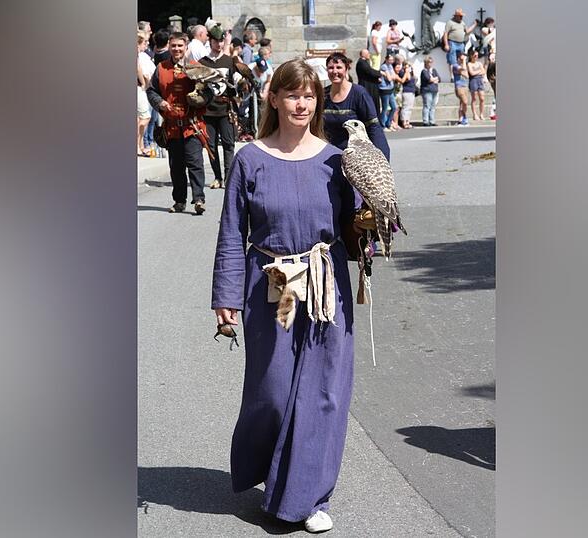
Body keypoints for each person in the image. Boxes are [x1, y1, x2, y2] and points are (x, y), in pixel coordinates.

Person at [212, 58, 362, 535]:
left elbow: (354, 230)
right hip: (270, 286)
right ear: (273, 98)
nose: (302, 103)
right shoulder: (249, 159)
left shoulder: (337, 160)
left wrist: (371, 228)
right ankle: (271, 475)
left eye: (310, 95)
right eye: (292, 94)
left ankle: (306, 498)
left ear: (318, 102)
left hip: (325, 286)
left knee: (321, 396)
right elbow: (232, 233)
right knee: (273, 393)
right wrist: (226, 295)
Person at [147, 32, 209, 214]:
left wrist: (200, 98)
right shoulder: (161, 68)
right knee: (176, 166)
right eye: (173, 46)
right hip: (172, 126)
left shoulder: (196, 67)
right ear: (169, 46)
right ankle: (179, 201)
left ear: (186, 47)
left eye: (180, 46)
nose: (176, 49)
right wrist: (160, 103)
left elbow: (210, 92)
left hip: (192, 125)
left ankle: (198, 199)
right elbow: (151, 91)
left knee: (195, 163)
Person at [322, 52, 390, 159]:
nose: (334, 71)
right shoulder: (323, 95)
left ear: (346, 69)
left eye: (339, 67)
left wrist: (382, 159)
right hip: (329, 156)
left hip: (355, 158)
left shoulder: (359, 94)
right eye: (331, 68)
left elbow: (373, 127)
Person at [200, 25, 239, 190]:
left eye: (221, 40)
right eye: (215, 40)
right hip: (208, 109)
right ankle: (217, 177)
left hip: (225, 108)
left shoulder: (229, 61)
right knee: (211, 145)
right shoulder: (203, 62)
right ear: (210, 41)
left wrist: (240, 85)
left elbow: (236, 83)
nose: (218, 43)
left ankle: (229, 176)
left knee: (229, 144)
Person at [144, 29, 170, 154]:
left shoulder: (154, 54)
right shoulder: (167, 57)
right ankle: (160, 146)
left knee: (156, 120)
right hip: (163, 93)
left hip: (158, 93)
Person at [136, 32, 156, 156]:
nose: (146, 44)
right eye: (144, 42)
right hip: (139, 87)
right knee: (145, 117)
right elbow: (137, 68)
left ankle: (140, 145)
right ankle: (137, 145)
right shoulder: (137, 54)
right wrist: (144, 83)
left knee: (140, 118)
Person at [355, 49, 383, 125]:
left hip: (371, 86)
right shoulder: (361, 63)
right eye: (367, 54)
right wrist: (380, 73)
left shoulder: (365, 62)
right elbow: (369, 71)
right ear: (363, 54)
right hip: (367, 87)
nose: (369, 55)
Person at [466, 48, 487, 121]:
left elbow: (483, 72)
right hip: (473, 81)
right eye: (475, 55)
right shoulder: (469, 64)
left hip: (480, 80)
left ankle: (481, 114)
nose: (476, 57)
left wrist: (477, 72)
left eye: (477, 55)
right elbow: (471, 73)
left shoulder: (479, 63)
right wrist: (479, 71)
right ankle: (475, 114)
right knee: (474, 98)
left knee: (482, 98)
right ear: (471, 56)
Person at [419, 55, 441, 126]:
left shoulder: (433, 70)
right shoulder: (424, 71)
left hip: (434, 90)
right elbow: (429, 79)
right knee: (427, 106)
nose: (430, 64)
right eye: (429, 62)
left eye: (431, 62)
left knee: (433, 106)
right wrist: (434, 79)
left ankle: (432, 121)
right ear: (426, 63)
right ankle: (426, 121)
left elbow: (439, 79)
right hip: (427, 90)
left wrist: (434, 79)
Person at [378, 53, 397, 129]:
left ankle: (388, 123)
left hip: (390, 89)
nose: (391, 61)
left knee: (394, 107)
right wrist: (391, 76)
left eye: (392, 60)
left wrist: (391, 76)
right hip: (384, 89)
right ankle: (383, 125)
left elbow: (394, 76)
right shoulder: (384, 67)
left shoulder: (390, 66)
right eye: (390, 60)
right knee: (385, 108)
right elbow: (389, 78)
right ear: (386, 59)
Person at [451, 50, 470, 125]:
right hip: (459, 87)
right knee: (465, 102)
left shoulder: (462, 65)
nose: (464, 58)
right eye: (462, 57)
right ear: (459, 58)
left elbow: (467, 75)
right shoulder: (455, 65)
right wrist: (464, 61)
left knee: (462, 104)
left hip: (465, 86)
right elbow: (464, 70)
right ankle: (464, 117)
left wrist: (463, 70)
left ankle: (460, 119)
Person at [398, 57, 417, 128]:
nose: (409, 67)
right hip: (406, 91)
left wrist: (412, 71)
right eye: (407, 65)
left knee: (410, 107)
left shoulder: (411, 73)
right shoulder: (403, 72)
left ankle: (407, 121)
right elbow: (407, 78)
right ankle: (404, 122)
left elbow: (414, 78)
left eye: (409, 66)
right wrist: (407, 71)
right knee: (405, 107)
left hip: (412, 91)